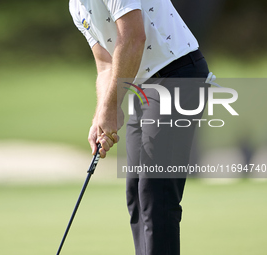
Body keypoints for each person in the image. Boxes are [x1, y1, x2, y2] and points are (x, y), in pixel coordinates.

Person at [69, 1, 210, 254]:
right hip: (141, 87)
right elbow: (106, 65)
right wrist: (102, 115)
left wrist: (112, 107)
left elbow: (133, 37)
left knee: (156, 193)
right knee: (136, 193)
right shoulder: (76, 6)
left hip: (177, 75)